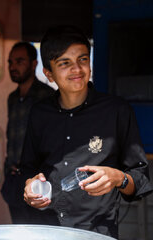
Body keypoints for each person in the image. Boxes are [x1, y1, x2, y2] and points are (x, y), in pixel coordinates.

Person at [21, 26, 153, 238]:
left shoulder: (117, 111)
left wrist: (118, 178)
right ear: (49, 74)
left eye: (83, 59)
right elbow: (27, 169)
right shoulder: (39, 113)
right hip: (46, 229)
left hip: (97, 231)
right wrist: (29, 187)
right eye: (65, 63)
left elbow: (139, 180)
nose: (77, 69)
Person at [0, 42, 54, 224]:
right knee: (19, 230)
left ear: (33, 64)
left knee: (40, 231)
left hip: (38, 180)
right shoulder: (12, 98)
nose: (13, 67)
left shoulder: (47, 97)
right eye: (10, 62)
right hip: (14, 178)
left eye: (19, 61)